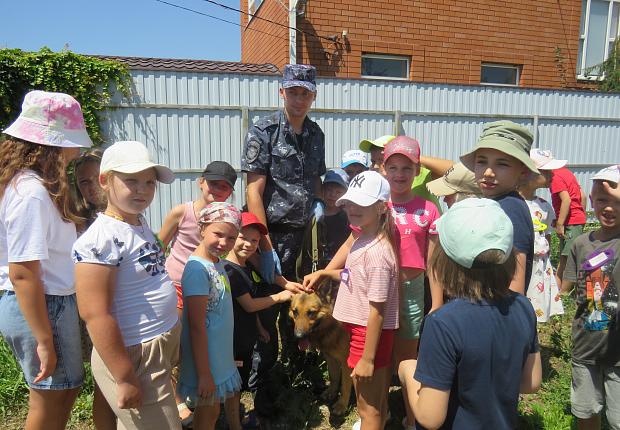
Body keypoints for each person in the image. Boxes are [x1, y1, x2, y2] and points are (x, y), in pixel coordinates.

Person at [407, 198, 542, 429]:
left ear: (443, 261)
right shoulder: (523, 307)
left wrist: (408, 373)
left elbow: (431, 418)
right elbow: (530, 383)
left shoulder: (442, 323)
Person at [73, 141, 180, 430]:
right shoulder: (100, 241)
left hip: (158, 346)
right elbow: (95, 314)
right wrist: (124, 377)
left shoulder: (136, 222)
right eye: (131, 181)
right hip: (134, 357)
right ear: (105, 181)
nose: (142, 190)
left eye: (149, 182)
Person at [0, 90, 91, 430]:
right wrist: (44, 339)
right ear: (50, 144)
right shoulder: (32, 192)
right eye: (71, 141)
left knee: (65, 390)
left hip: (51, 302)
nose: (77, 150)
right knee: (48, 397)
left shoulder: (31, 184)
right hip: (41, 305)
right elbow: (23, 273)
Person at [241, 63, 323, 416]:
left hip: (305, 236)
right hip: (271, 236)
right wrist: (264, 242)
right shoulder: (263, 130)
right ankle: (265, 390)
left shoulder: (316, 133)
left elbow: (316, 186)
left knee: (302, 303)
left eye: (305, 92)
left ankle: (299, 369)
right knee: (269, 308)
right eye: (293, 91)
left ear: (313, 96)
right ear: (282, 92)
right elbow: (254, 191)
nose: (299, 98)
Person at [304, 170, 399, 430]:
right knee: (371, 403)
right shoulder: (363, 237)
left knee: (368, 409)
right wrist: (324, 273)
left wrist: (367, 359)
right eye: (351, 202)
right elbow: (352, 274)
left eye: (363, 203)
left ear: (381, 207)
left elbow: (377, 311)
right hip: (360, 331)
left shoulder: (377, 254)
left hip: (367, 335)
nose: (353, 208)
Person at [158, 160, 237, 424]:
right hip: (178, 286)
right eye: (214, 183)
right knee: (176, 349)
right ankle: (179, 398)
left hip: (206, 291)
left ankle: (191, 390)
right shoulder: (183, 212)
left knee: (190, 346)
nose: (218, 189)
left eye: (225, 186)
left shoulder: (222, 241)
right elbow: (158, 248)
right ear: (201, 181)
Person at [381, 136, 441, 429]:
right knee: (379, 354)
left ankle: (411, 417)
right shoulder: (376, 205)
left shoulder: (428, 208)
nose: (400, 174)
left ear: (418, 170)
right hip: (379, 290)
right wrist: (331, 270)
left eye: (407, 167)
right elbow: (355, 243)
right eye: (393, 167)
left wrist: (438, 302)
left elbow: (434, 260)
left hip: (413, 290)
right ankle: (379, 413)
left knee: (407, 359)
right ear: (383, 169)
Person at [223, 212, 298, 429]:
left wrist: (258, 327)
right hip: (233, 340)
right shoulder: (230, 271)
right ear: (231, 236)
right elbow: (249, 305)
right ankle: (233, 423)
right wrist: (279, 296)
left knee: (238, 382)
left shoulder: (246, 266)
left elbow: (249, 305)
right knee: (233, 386)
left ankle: (233, 417)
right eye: (242, 237)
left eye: (254, 240)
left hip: (246, 337)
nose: (248, 244)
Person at [561, 165, 620, 430]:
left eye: (618, 202)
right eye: (602, 200)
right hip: (586, 344)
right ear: (591, 201)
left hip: (618, 350)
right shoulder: (580, 244)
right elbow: (568, 286)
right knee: (586, 411)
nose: (609, 208)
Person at [176, 202, 243, 430]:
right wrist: (204, 374)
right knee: (207, 414)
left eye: (231, 238)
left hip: (217, 354)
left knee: (212, 410)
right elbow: (195, 326)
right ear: (202, 227)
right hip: (206, 361)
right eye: (218, 234)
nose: (224, 243)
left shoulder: (216, 262)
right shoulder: (197, 269)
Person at [460, 120, 536, 295]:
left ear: (523, 172)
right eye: (482, 162)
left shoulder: (509, 209)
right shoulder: (497, 203)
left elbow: (515, 278)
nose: (488, 172)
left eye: (502, 164)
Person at [70, 148, 116, 429]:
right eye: (83, 182)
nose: (90, 187)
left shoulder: (127, 215)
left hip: (125, 309)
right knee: (105, 380)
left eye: (95, 178)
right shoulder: (79, 223)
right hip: (98, 312)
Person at [531, 149, 587, 286]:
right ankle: (559, 285)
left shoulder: (555, 177)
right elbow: (583, 195)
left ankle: (564, 291)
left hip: (570, 221)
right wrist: (581, 215)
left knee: (568, 257)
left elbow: (566, 200)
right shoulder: (566, 173)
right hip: (575, 219)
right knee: (566, 255)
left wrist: (561, 223)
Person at [519, 172, 564, 322]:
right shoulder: (513, 203)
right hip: (520, 261)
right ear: (527, 172)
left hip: (540, 263)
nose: (552, 175)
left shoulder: (544, 205)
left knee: (536, 305)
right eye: (546, 172)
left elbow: (547, 234)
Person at [296, 168, 351, 280]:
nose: (333, 195)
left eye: (338, 192)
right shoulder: (314, 215)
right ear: (322, 190)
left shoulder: (348, 217)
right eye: (329, 190)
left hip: (340, 267)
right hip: (316, 266)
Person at [72, 149, 106, 232]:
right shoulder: (75, 222)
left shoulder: (129, 215)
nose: (93, 186)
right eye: (84, 182)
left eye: (98, 178)